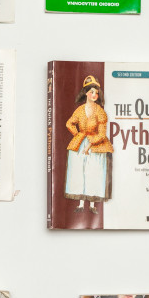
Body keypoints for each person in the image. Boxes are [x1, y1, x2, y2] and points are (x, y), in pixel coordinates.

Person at [64, 76, 113, 214]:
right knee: (79, 171)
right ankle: (80, 204)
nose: (94, 95)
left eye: (96, 92)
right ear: (85, 93)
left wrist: (88, 145)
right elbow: (69, 123)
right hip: (80, 143)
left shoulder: (100, 112)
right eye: (91, 92)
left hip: (96, 145)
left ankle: (91, 204)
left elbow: (102, 134)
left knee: (93, 172)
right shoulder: (79, 110)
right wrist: (78, 135)